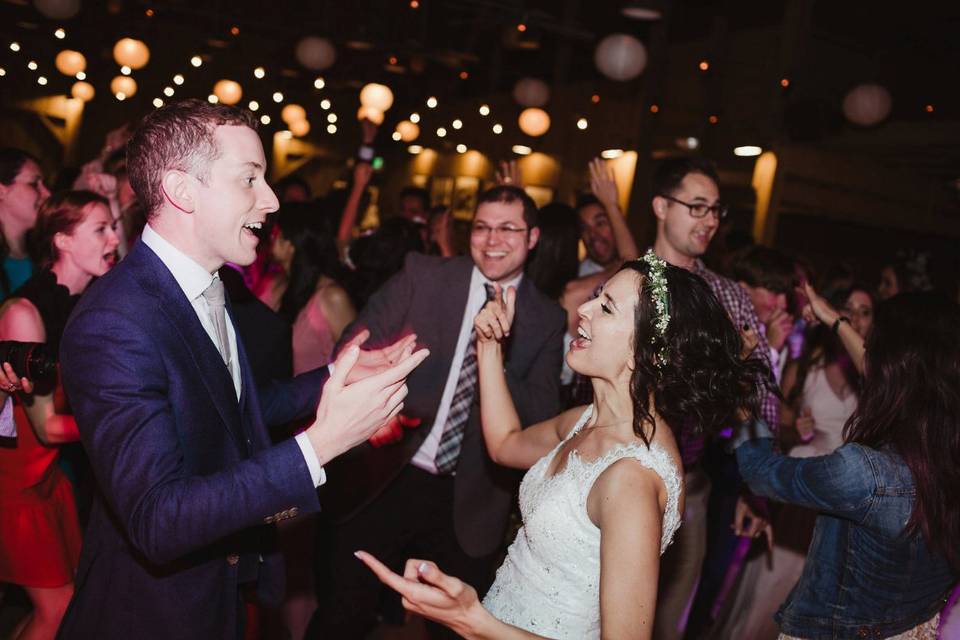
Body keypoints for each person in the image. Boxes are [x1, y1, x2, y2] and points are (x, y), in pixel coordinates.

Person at [55, 99, 428, 640]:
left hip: (220, 588)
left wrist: (335, 377)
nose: (271, 199)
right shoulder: (114, 323)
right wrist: (319, 445)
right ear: (182, 190)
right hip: (152, 613)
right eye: (250, 179)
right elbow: (158, 520)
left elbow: (237, 404)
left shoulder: (210, 283)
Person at [359, 251, 766, 639]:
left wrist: (476, 622)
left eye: (606, 308)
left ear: (647, 353)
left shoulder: (632, 479)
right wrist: (488, 345)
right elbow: (505, 444)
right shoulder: (586, 420)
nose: (584, 310)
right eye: (596, 297)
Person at [308, 185, 565, 639]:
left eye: (508, 229)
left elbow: (539, 421)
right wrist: (375, 392)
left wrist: (495, 354)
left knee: (454, 629)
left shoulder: (546, 318)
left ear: (533, 238)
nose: (492, 240)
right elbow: (355, 341)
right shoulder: (424, 275)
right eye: (482, 227)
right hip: (391, 471)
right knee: (342, 613)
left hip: (472, 493)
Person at [732, 284, 958, 639]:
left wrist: (744, 400)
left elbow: (759, 472)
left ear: (889, 365)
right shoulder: (945, 460)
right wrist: (836, 322)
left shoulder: (866, 474)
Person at [648, 156, 777, 639]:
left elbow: (762, 391)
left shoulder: (727, 295)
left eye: (715, 211)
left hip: (691, 482)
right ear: (661, 205)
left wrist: (756, 484)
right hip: (617, 471)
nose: (709, 221)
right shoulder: (629, 283)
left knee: (669, 619)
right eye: (696, 207)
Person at [710, 284, 874, 640]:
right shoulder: (805, 366)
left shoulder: (875, 380)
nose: (859, 319)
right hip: (801, 483)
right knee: (772, 585)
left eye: (867, 312)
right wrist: (792, 427)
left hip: (842, 494)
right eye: (853, 310)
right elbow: (774, 420)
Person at [0, 190, 118, 640]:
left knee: (64, 606)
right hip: (15, 487)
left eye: (112, 227)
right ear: (63, 241)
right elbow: (47, 428)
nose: (114, 239)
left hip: (47, 481)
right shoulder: (27, 313)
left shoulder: (85, 305)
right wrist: (121, 424)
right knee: (60, 609)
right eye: (101, 230)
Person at [0, 149, 50, 298]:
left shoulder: (43, 257)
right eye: (34, 184)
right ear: (2, 191)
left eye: (44, 184)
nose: (47, 193)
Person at [576, 158, 638, 277]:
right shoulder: (580, 276)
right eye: (584, 228)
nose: (592, 234)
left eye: (600, 223)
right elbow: (631, 266)